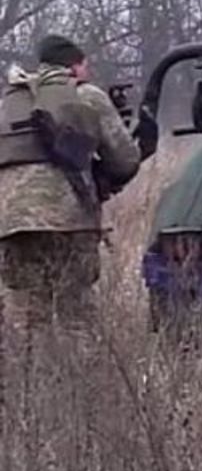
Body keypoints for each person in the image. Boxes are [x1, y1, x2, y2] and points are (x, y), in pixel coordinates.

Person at [0, 34, 152, 330]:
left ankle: (25, 374)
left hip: (11, 221)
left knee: (26, 314)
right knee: (76, 312)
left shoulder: (8, 101)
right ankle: (81, 374)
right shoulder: (87, 95)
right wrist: (143, 143)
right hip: (68, 220)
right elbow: (123, 162)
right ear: (75, 66)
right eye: (86, 66)